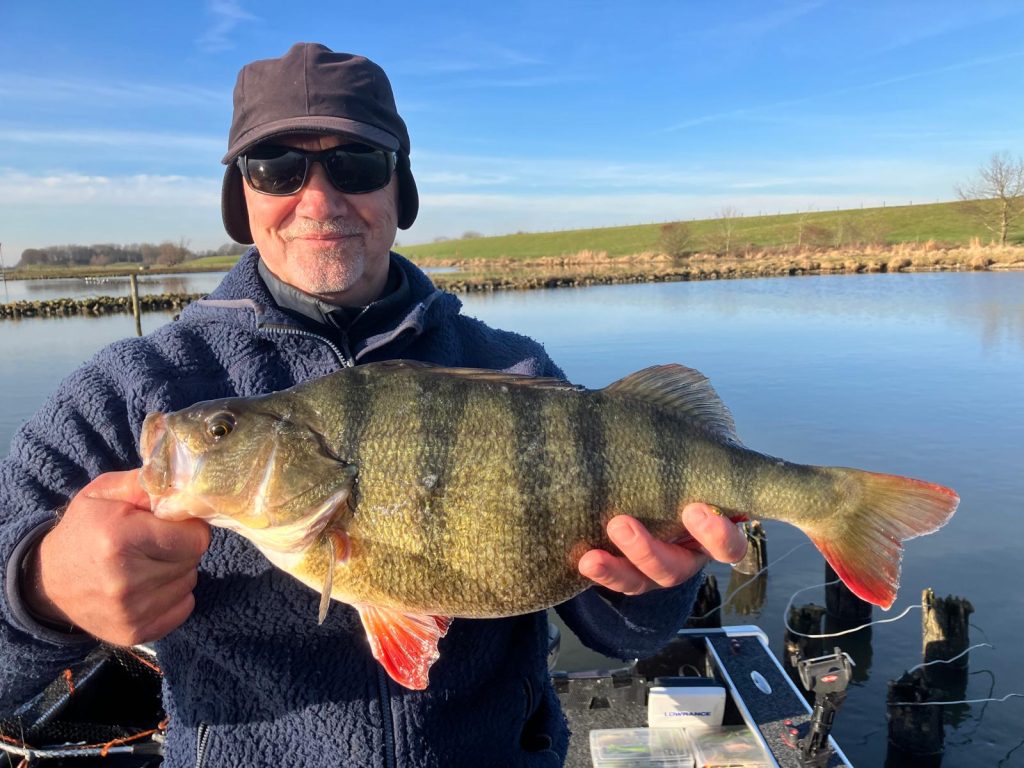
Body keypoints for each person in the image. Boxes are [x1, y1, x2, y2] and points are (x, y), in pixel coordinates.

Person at [0, 43, 747, 767]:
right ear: (242, 195)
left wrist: (654, 586)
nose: (319, 199)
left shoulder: (513, 370)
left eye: (356, 163)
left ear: (399, 189)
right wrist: (41, 589)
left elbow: (625, 635)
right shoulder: (137, 388)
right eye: (277, 167)